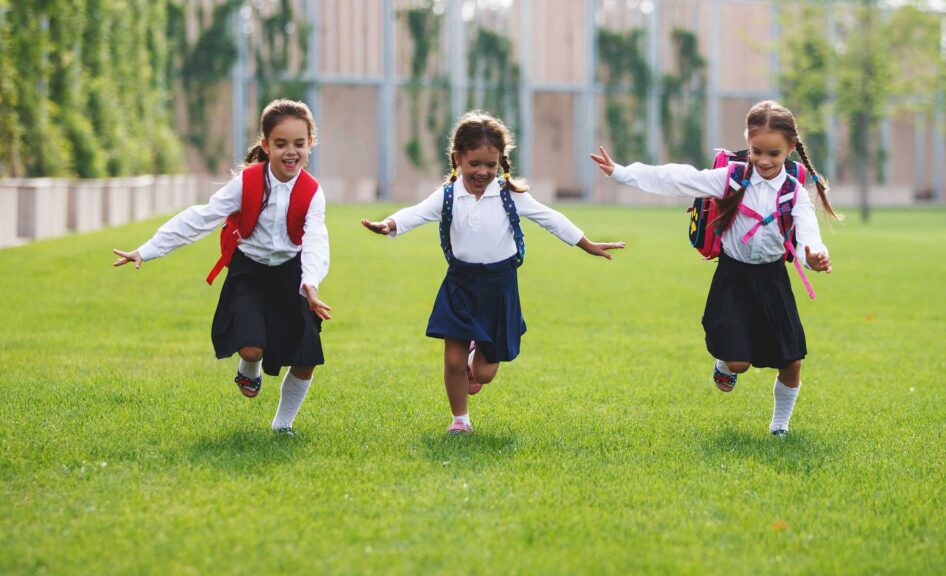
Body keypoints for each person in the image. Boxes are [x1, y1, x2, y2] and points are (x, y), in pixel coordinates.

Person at [362, 110, 624, 435]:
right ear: (457, 159)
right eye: (474, 164)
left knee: (484, 374)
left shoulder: (508, 195)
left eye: (491, 164)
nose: (483, 171)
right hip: (460, 284)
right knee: (453, 361)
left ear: (501, 162)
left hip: (500, 287)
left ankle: (477, 356)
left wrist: (586, 244)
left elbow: (550, 217)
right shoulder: (447, 196)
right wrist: (388, 224)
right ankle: (460, 420)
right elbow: (415, 214)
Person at [591, 100, 840, 436]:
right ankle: (725, 363)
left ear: (791, 149)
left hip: (772, 278)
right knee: (739, 363)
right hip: (733, 277)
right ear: (747, 143)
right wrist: (622, 171)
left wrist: (815, 254)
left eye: (774, 154)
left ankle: (779, 426)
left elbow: (808, 231)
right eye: (757, 151)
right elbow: (678, 178)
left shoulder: (793, 191)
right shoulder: (732, 177)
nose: (764, 161)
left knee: (792, 360)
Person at [112, 99, 331, 436]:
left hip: (293, 274)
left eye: (299, 144)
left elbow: (316, 240)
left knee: (306, 356)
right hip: (250, 272)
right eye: (281, 143)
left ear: (310, 144)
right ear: (265, 145)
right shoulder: (247, 183)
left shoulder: (313, 193)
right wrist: (148, 249)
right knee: (251, 347)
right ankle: (250, 367)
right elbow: (200, 218)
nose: (291, 151)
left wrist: (311, 284)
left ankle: (282, 425)